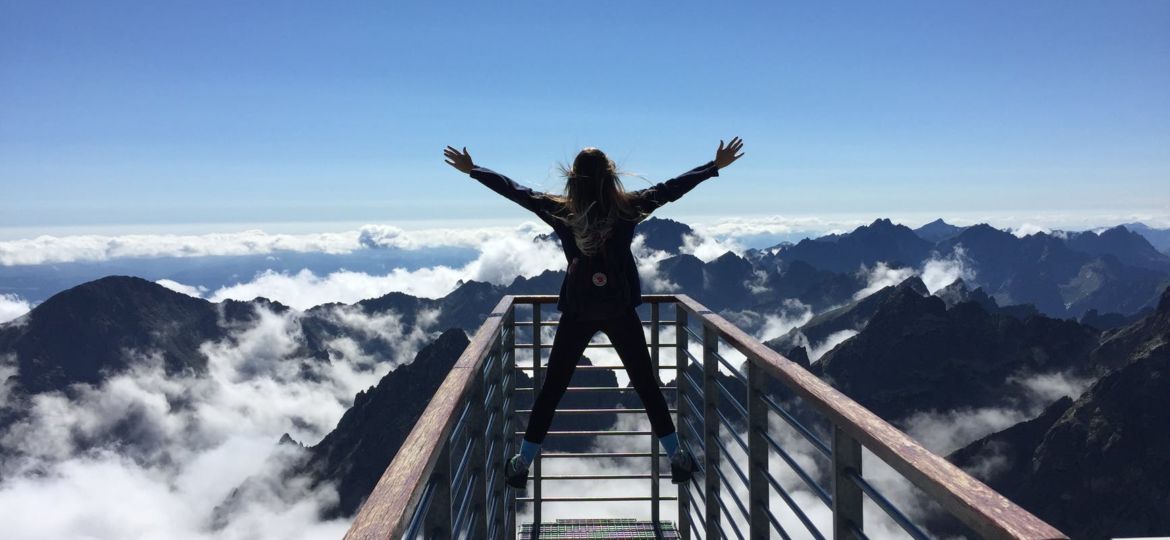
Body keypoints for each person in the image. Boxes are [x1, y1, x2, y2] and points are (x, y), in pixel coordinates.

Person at [442, 137, 745, 489]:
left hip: (578, 310)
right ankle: (677, 455)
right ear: (611, 175)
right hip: (619, 309)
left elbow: (517, 192)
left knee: (552, 387)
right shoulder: (629, 208)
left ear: (573, 178)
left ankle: (522, 462)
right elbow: (671, 189)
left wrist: (474, 170)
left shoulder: (561, 211)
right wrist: (713, 167)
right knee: (647, 385)